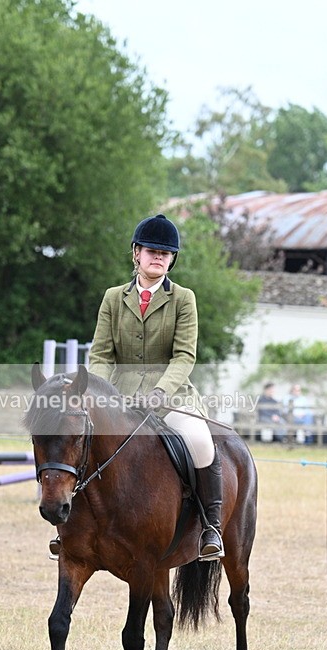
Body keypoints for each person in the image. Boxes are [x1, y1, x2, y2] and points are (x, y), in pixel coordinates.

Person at [84, 213, 223, 561]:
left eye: (165, 252)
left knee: (201, 443)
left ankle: (211, 527)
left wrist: (160, 391)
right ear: (136, 253)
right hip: (118, 398)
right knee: (76, 440)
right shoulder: (114, 298)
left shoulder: (183, 299)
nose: (158, 256)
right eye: (151, 250)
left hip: (172, 397)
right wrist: (102, 393)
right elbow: (100, 353)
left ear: (172, 258)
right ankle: (72, 527)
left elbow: (184, 356)